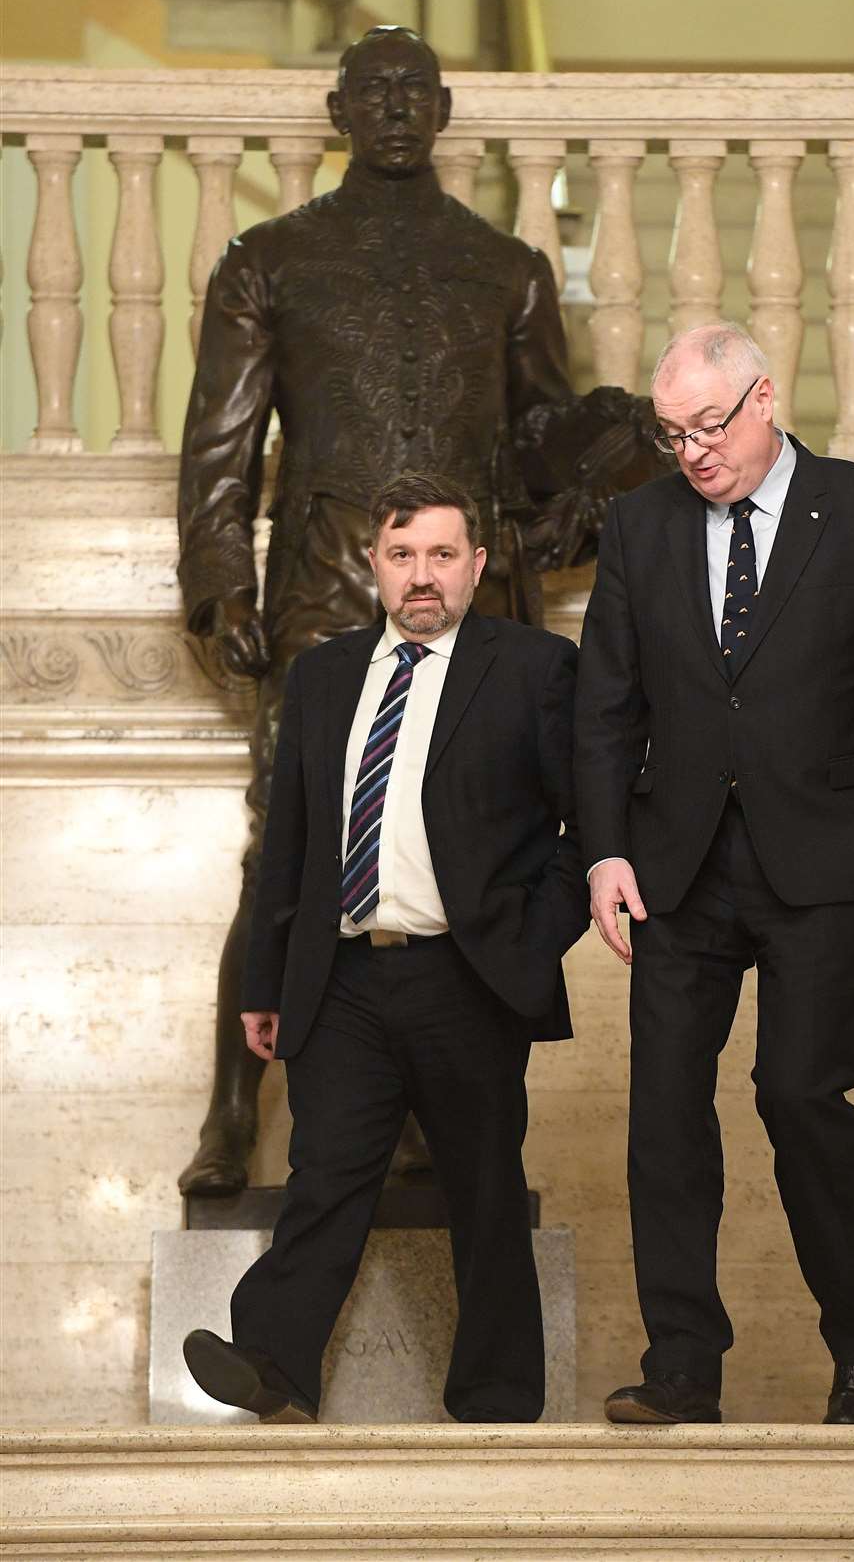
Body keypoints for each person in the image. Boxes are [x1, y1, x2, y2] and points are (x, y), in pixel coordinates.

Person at [176, 23, 655, 1196]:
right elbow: (223, 445)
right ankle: (235, 1109)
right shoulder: (269, 257)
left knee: (467, 846)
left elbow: (543, 437)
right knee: (286, 847)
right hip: (327, 574)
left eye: (413, 92)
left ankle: (426, 1109)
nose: (394, 108)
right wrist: (219, 578)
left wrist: (609, 463)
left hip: (471, 579)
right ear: (339, 111)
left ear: (442, 110)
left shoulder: (507, 268)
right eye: (372, 92)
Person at [574, 323, 854, 1426]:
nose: (692, 453)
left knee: (800, 1098)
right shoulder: (638, 525)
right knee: (663, 1117)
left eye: (708, 426)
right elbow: (606, 705)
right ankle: (683, 1370)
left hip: (826, 859)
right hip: (677, 867)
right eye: (672, 435)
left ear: (765, 398)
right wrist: (604, 850)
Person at [183, 472, 589, 1424]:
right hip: (347, 976)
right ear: (372, 565)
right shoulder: (325, 676)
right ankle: (274, 1364)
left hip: (468, 976)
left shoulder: (531, 669)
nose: (422, 577)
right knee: (325, 1176)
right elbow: (289, 842)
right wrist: (266, 980)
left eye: (443, 556)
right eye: (402, 555)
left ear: (477, 566)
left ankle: (496, 1397)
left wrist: (530, 944)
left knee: (484, 1191)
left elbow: (590, 829)